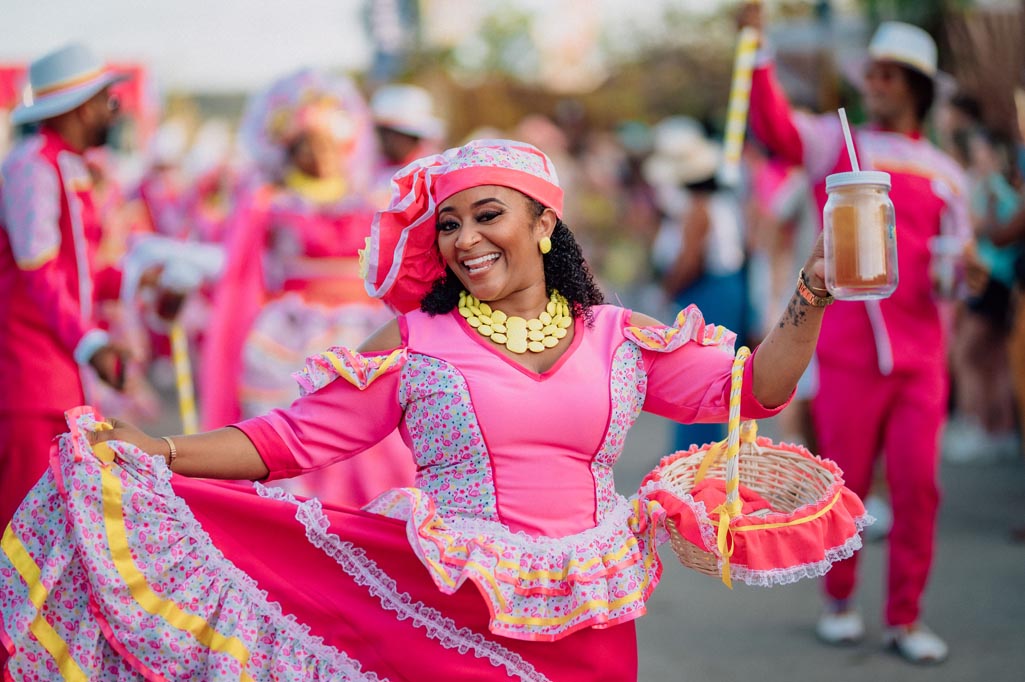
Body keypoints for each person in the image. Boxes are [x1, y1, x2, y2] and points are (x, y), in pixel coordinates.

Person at [1, 140, 856, 680]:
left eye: (488, 216)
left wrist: (811, 290)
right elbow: (290, 439)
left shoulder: (615, 335)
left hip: (594, 609)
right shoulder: (413, 338)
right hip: (450, 605)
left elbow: (756, 388)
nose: (465, 239)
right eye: (449, 225)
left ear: (544, 224)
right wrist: (165, 451)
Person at [742, 7, 971, 663]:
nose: (874, 82)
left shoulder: (945, 172)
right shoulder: (831, 142)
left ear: (916, 88)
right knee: (840, 483)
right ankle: (837, 600)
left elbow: (954, 271)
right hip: (846, 349)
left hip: (922, 356)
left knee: (917, 486)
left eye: (888, 74)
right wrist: (755, 51)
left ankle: (904, 617)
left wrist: (968, 275)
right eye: (869, 71)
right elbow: (777, 131)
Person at [199, 68, 413, 505]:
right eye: (310, 143)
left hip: (366, 330)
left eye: (331, 143)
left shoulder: (374, 198)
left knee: (376, 434)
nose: (323, 154)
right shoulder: (269, 202)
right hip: (293, 334)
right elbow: (240, 277)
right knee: (298, 429)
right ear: (289, 148)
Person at [0, 43, 130, 535]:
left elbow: (83, 269)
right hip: (30, 378)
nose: (113, 112)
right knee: (24, 535)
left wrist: (143, 280)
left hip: (61, 375)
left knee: (62, 534)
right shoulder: (31, 166)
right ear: (82, 107)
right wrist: (90, 342)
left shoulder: (66, 165)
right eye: (108, 101)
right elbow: (38, 272)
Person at [645, 116, 748, 450]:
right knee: (714, 375)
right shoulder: (719, 203)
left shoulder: (699, 209)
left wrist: (665, 291)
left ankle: (695, 453)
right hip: (721, 289)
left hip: (709, 292)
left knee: (698, 378)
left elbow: (691, 259)